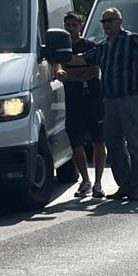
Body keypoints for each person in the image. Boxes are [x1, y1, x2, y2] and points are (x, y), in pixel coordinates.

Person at [73, 7, 138, 202]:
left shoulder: (131, 39)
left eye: (110, 20)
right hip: (110, 101)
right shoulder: (102, 47)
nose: (106, 25)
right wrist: (58, 58)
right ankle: (125, 185)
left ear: (120, 21)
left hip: (130, 98)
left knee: (135, 144)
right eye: (103, 22)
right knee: (114, 145)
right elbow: (81, 59)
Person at [51, 12, 106, 199]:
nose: (71, 28)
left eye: (74, 25)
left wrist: (71, 73)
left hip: (93, 97)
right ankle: (86, 181)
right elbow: (57, 68)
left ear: (81, 26)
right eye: (68, 24)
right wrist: (62, 71)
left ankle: (98, 183)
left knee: (99, 140)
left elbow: (92, 71)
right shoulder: (60, 48)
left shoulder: (91, 46)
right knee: (76, 142)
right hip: (73, 101)